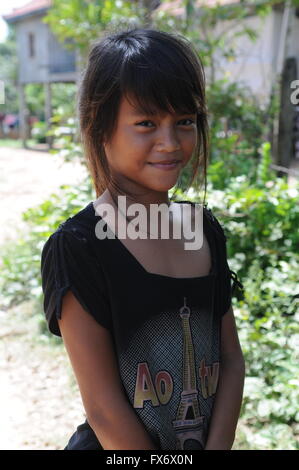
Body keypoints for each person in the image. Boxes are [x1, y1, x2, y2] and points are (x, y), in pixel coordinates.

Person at [40, 27, 245, 451]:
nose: (169, 143)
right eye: (146, 123)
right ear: (100, 128)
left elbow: (230, 359)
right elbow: (102, 408)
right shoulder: (80, 246)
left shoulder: (201, 228)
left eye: (184, 121)